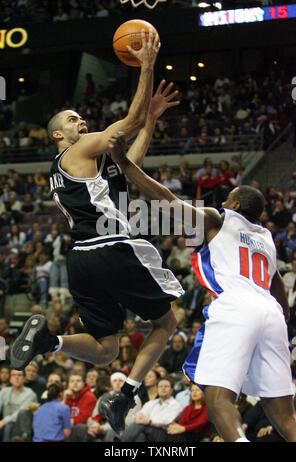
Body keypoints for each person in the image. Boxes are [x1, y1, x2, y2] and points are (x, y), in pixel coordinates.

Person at [10, 36, 184, 436]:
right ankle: (127, 395)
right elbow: (127, 126)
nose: (80, 122)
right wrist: (146, 66)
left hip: (82, 260)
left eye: (80, 119)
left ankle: (49, 343)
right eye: (71, 120)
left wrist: (151, 118)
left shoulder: (84, 168)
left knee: (106, 351)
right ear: (58, 135)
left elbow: (129, 163)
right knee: (167, 323)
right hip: (113, 247)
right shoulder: (76, 151)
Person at [106, 130, 296, 442]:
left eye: (227, 197)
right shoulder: (266, 238)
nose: (223, 200)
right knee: (285, 415)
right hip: (271, 314)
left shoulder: (218, 217)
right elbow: (277, 284)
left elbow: (168, 202)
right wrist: (283, 322)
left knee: (217, 399)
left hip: (236, 306)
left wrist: (125, 165)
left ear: (234, 202)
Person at [117, 377, 182, 443]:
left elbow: (166, 421)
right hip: (147, 429)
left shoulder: (176, 405)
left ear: (171, 390)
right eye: (160, 386)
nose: (163, 388)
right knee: (140, 435)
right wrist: (139, 417)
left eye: (166, 386)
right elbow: (141, 413)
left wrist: (149, 421)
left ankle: (119, 440)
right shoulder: (151, 403)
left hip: (164, 432)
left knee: (140, 426)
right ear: (157, 389)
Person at [0, 369, 37, 442]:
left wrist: (4, 421)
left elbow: (21, 411)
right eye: (14, 375)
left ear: (24, 378)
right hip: (4, 424)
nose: (17, 377)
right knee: (8, 426)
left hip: (23, 427)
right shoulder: (4, 392)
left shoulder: (30, 394)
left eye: (19, 375)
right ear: (10, 379)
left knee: (9, 426)